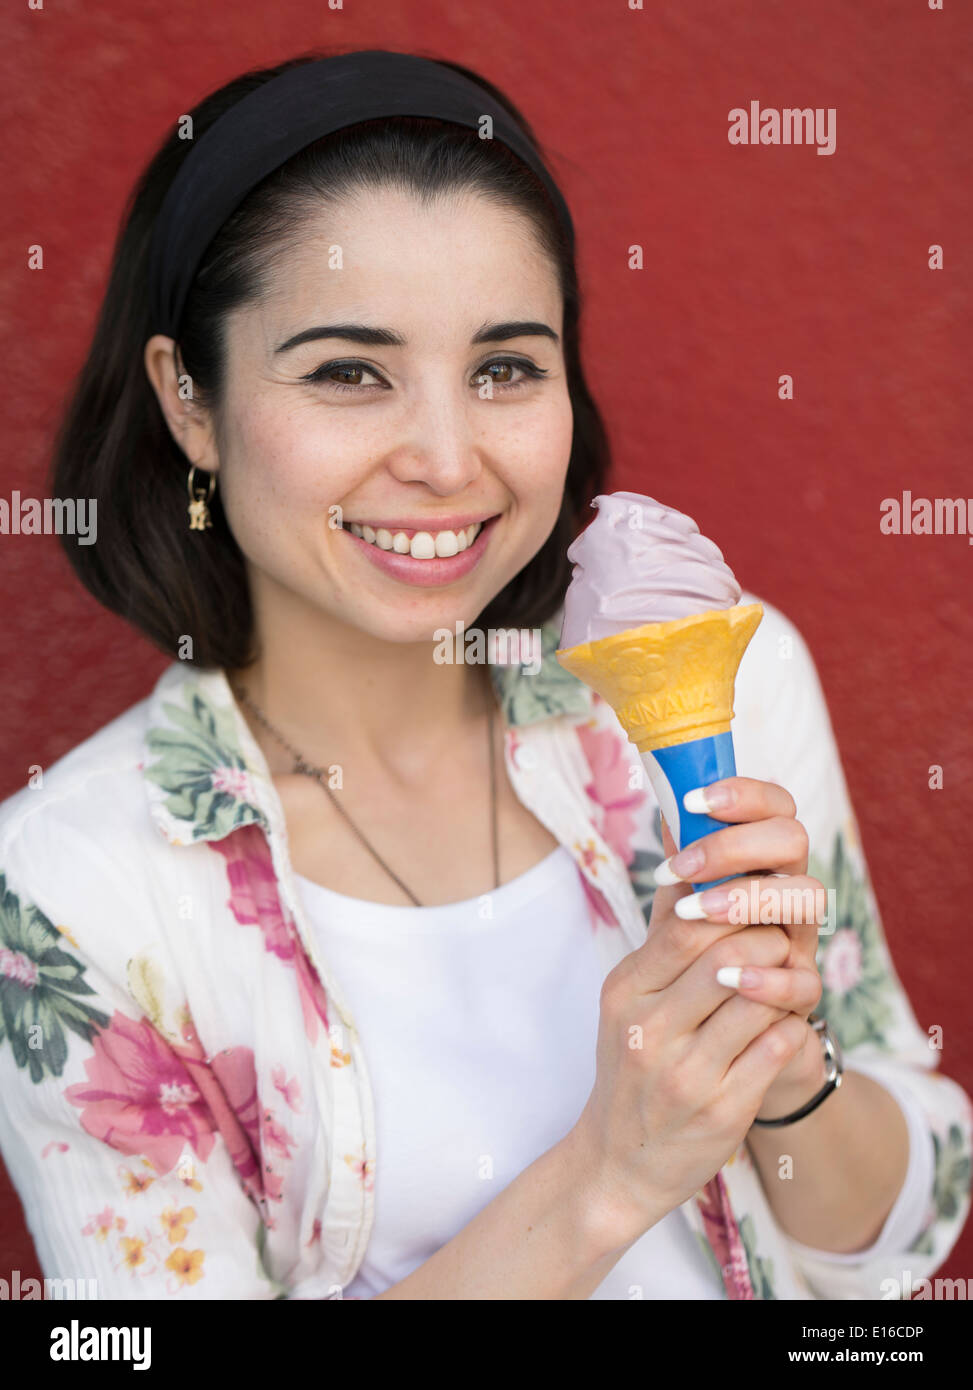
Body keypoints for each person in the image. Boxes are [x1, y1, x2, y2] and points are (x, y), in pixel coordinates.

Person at [0, 46, 969, 1302]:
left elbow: (900, 1235)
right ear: (190, 401)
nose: (450, 461)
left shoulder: (736, 680)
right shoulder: (66, 891)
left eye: (505, 367)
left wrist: (784, 1075)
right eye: (350, 372)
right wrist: (609, 1175)